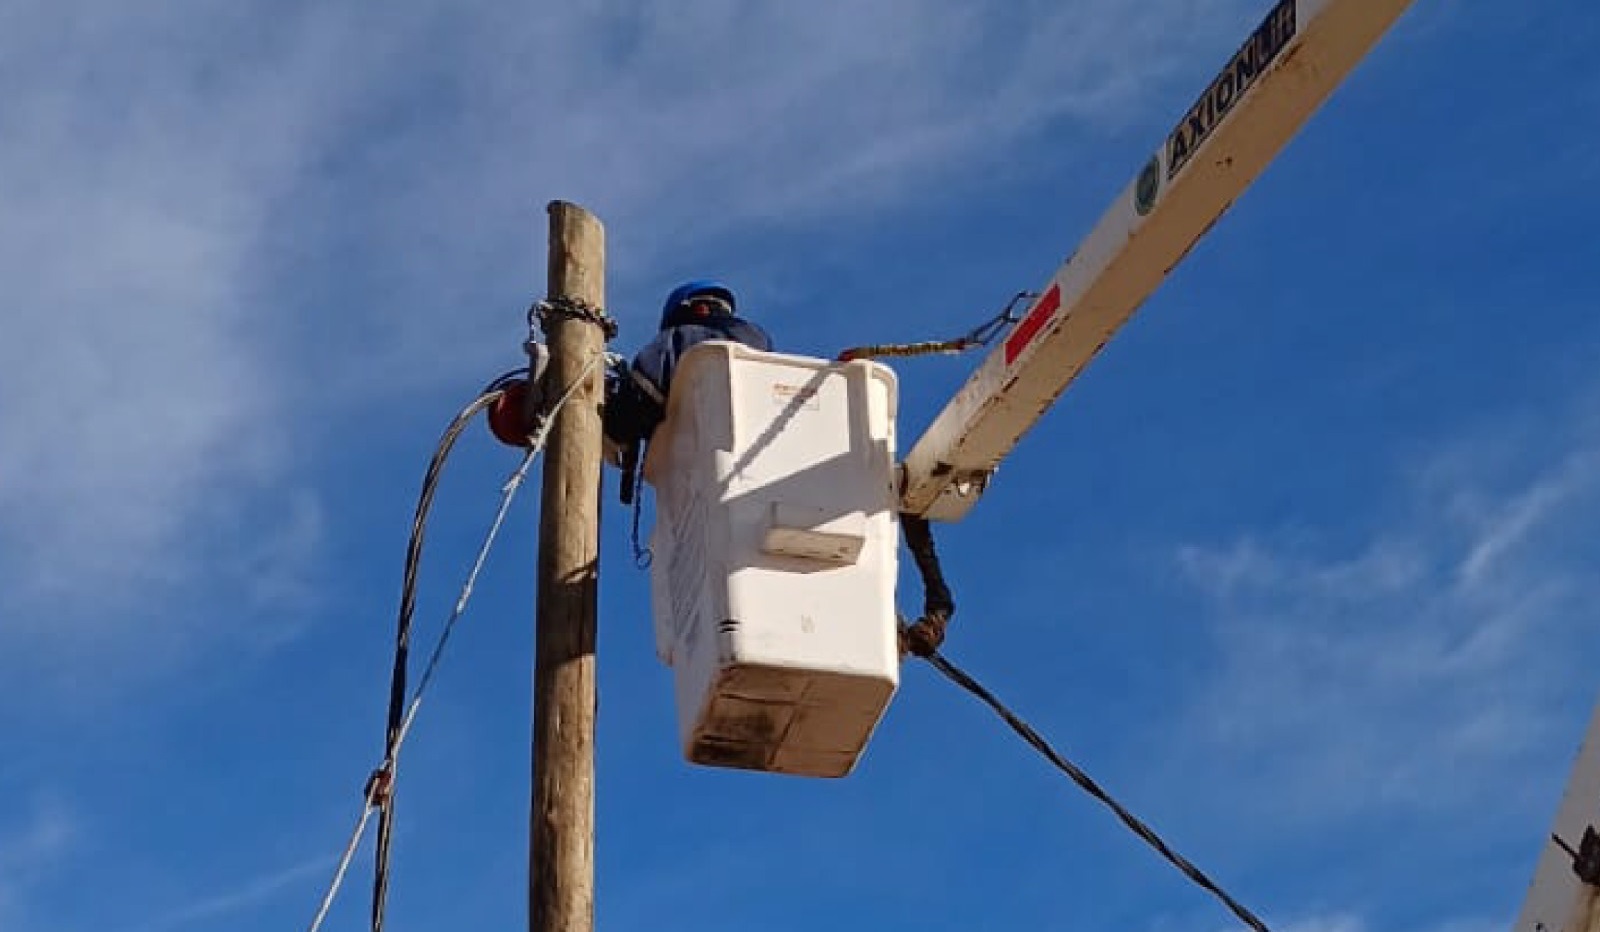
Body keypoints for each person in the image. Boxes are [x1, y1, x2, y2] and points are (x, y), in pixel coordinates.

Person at [602, 279, 773, 456]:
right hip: (763, 456)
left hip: (696, 461)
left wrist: (614, 406)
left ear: (694, 309)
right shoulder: (762, 344)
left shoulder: (680, 337)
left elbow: (644, 392)